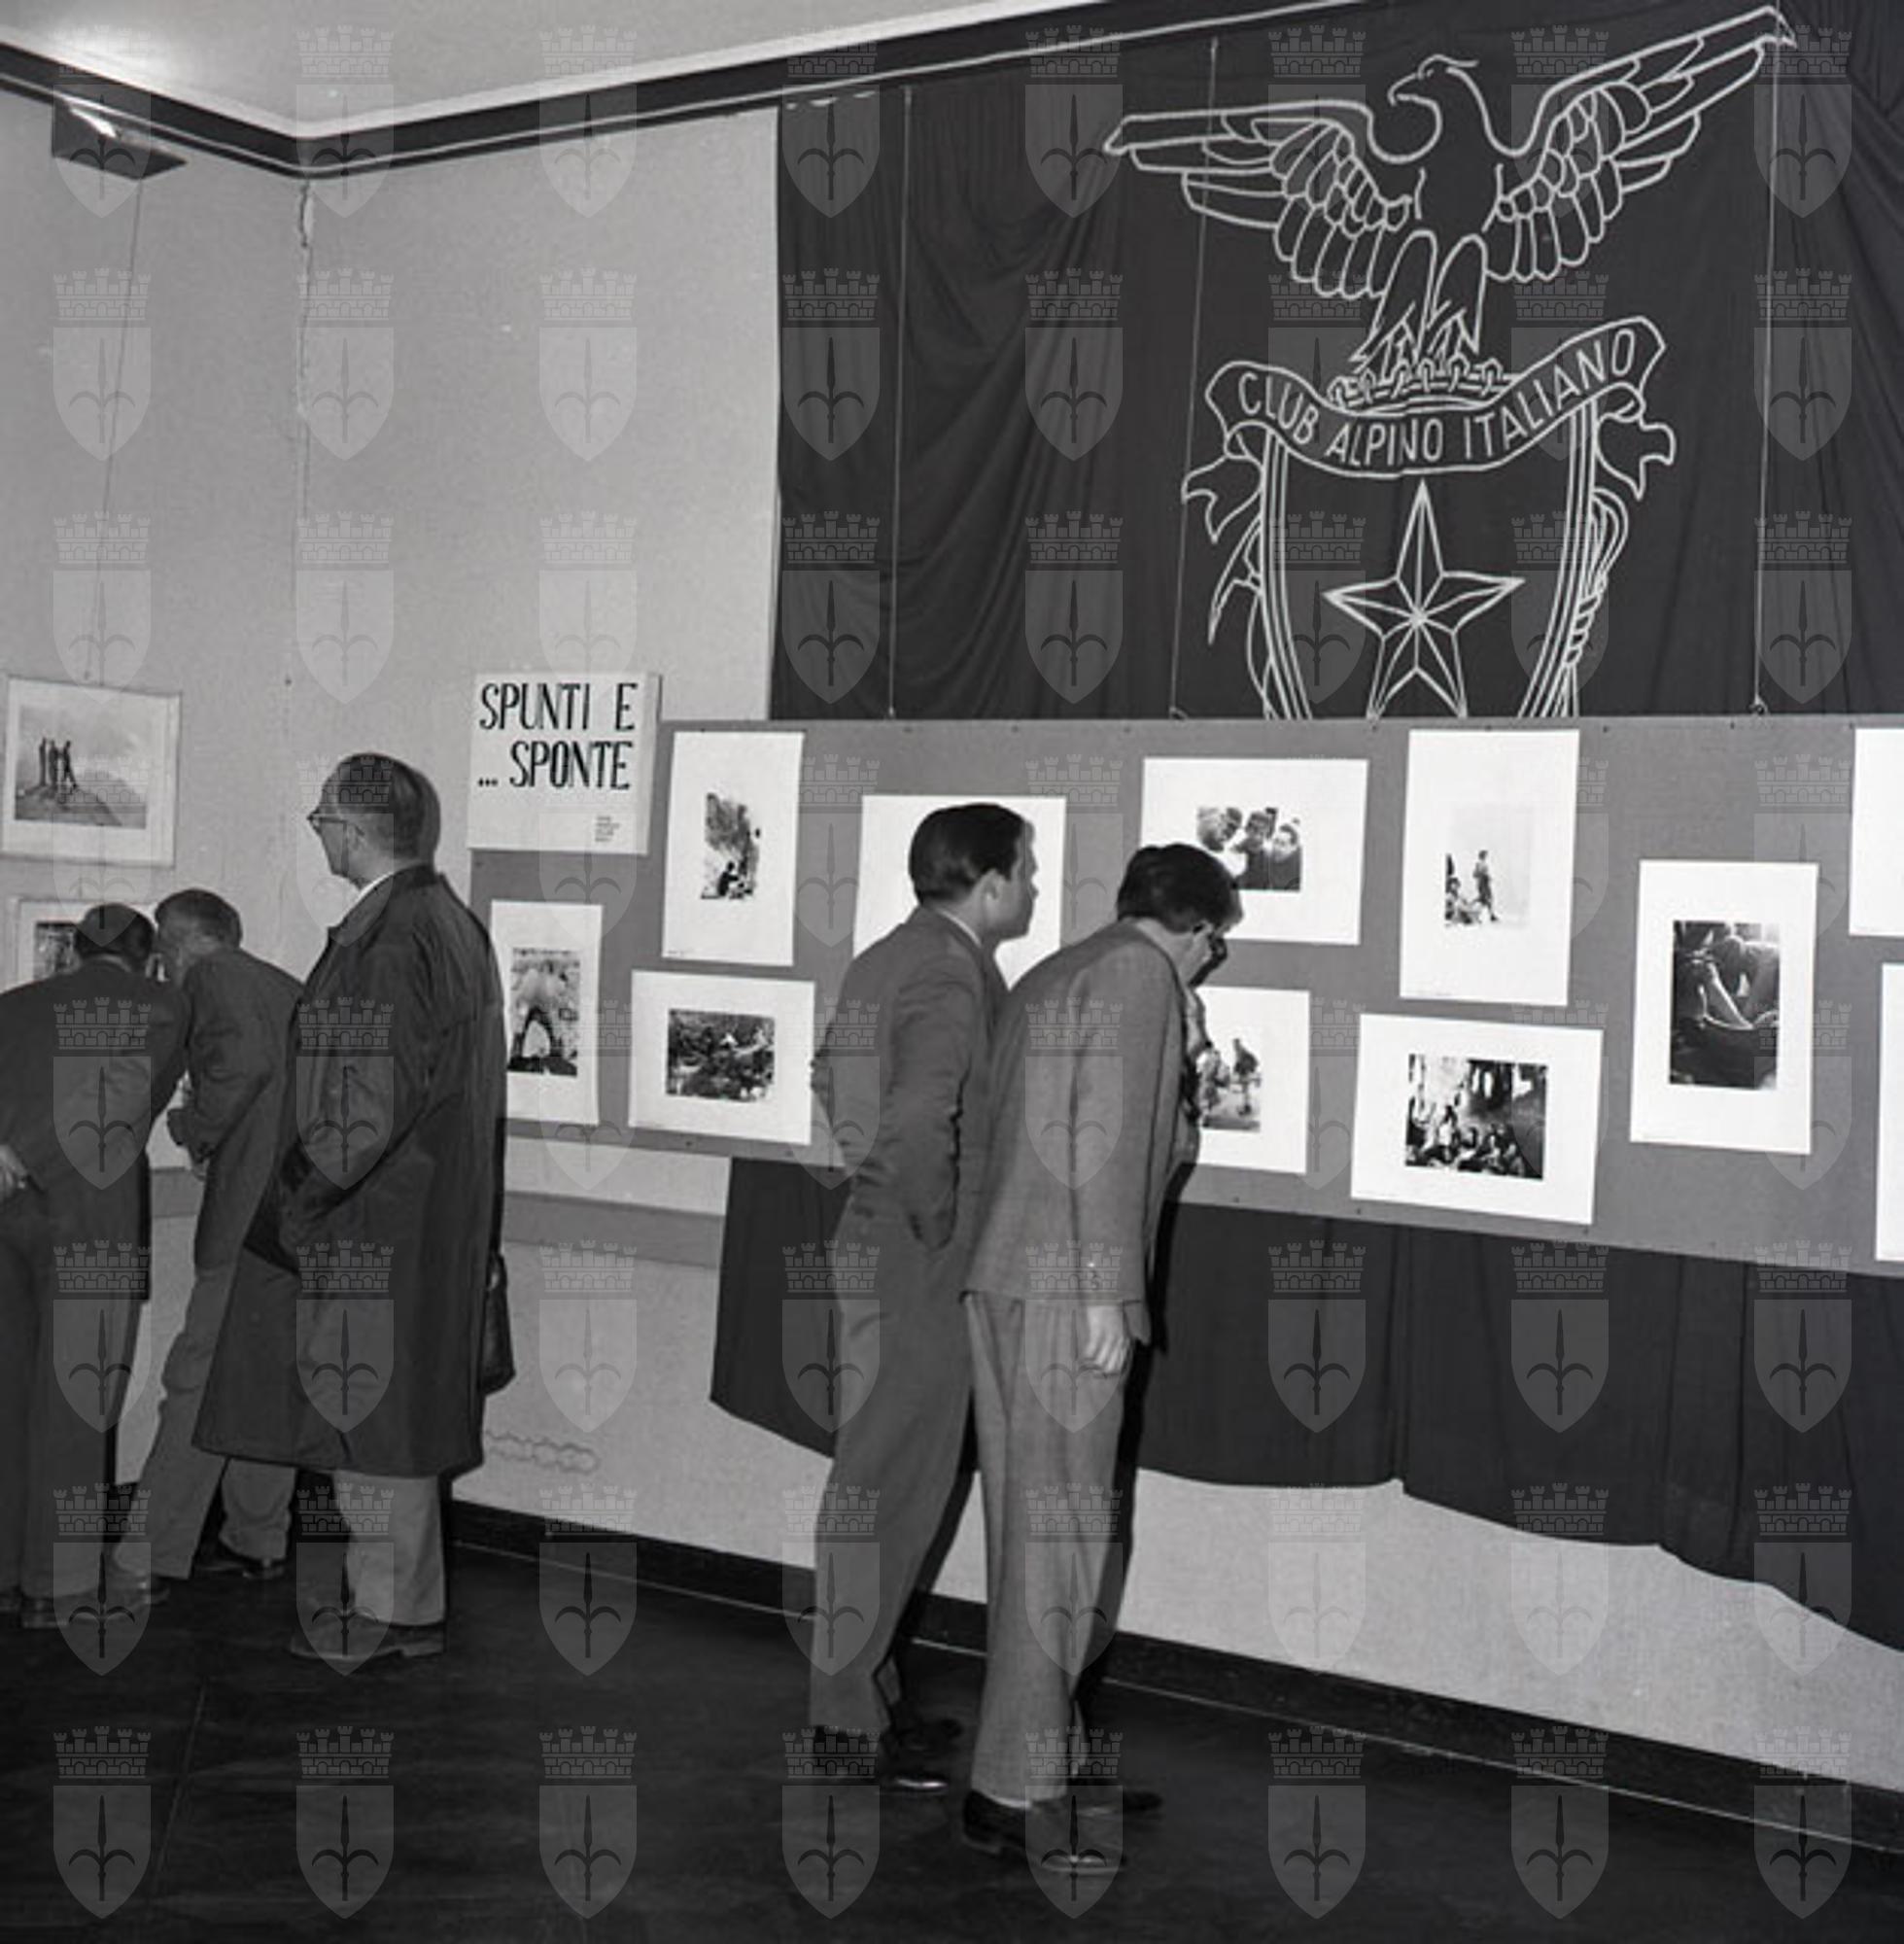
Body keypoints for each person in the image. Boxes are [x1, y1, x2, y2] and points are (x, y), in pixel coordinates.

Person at [959, 844, 1239, 1866]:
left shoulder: (1060, 968)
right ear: (1195, 928)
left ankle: (1050, 1750)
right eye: (1215, 941)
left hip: (1011, 1278)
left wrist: (1183, 1066)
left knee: (1035, 1534)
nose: (1210, 959)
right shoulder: (1139, 975)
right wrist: (1104, 1292)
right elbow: (1109, 1149)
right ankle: (1013, 1786)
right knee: (1062, 1539)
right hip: (1064, 1292)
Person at [195, 754, 505, 1664]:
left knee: (370, 1422)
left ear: (357, 832)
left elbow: (360, 1111)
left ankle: (386, 1615)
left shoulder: (390, 941)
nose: (319, 831)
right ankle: (404, 1606)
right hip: (421, 1221)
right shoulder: (447, 924)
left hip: (371, 1223)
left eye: (324, 817)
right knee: (392, 1419)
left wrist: (290, 1206)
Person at [807, 804, 1037, 1789]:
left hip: (881, 1237)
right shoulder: (949, 971)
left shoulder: (888, 955)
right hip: (919, 1254)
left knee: (880, 1477)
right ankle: (844, 1719)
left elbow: (831, 1076)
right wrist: (940, 1227)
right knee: (889, 1487)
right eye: (1026, 870)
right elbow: (915, 1121)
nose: (1032, 886)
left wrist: (875, 1189)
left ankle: (867, 1693)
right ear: (988, 883)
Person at [0, 905, 186, 1625]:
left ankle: (6, 1569)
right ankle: (59, 1583)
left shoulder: (13, 1005)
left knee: (10, 1392)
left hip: (7, 1215)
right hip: (91, 1220)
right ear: (148, 958)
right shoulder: (162, 1006)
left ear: (75, 952)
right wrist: (26, 1159)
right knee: (77, 1403)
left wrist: (7, 1162)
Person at [123, 890, 301, 1587]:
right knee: (265, 1380)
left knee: (193, 1380)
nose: (164, 970)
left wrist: (193, 1129)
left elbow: (243, 1065)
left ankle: (147, 1554)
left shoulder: (214, 976)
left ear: (180, 941)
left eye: (164, 955)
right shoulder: (280, 984)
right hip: (293, 1221)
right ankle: (257, 1538)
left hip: (248, 1221)